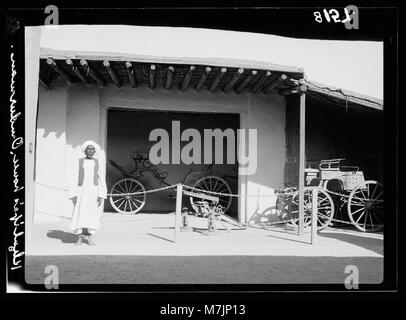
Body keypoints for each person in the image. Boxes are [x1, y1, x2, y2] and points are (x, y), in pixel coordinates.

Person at [68, 140, 107, 246]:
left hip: (93, 191)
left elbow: (101, 179)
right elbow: (73, 178)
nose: (90, 151)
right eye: (88, 149)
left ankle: (89, 237)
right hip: (81, 191)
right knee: (80, 213)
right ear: (85, 151)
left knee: (92, 214)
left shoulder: (98, 162)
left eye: (92, 149)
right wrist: (73, 194)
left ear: (95, 151)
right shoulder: (79, 161)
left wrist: (101, 195)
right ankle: (79, 237)